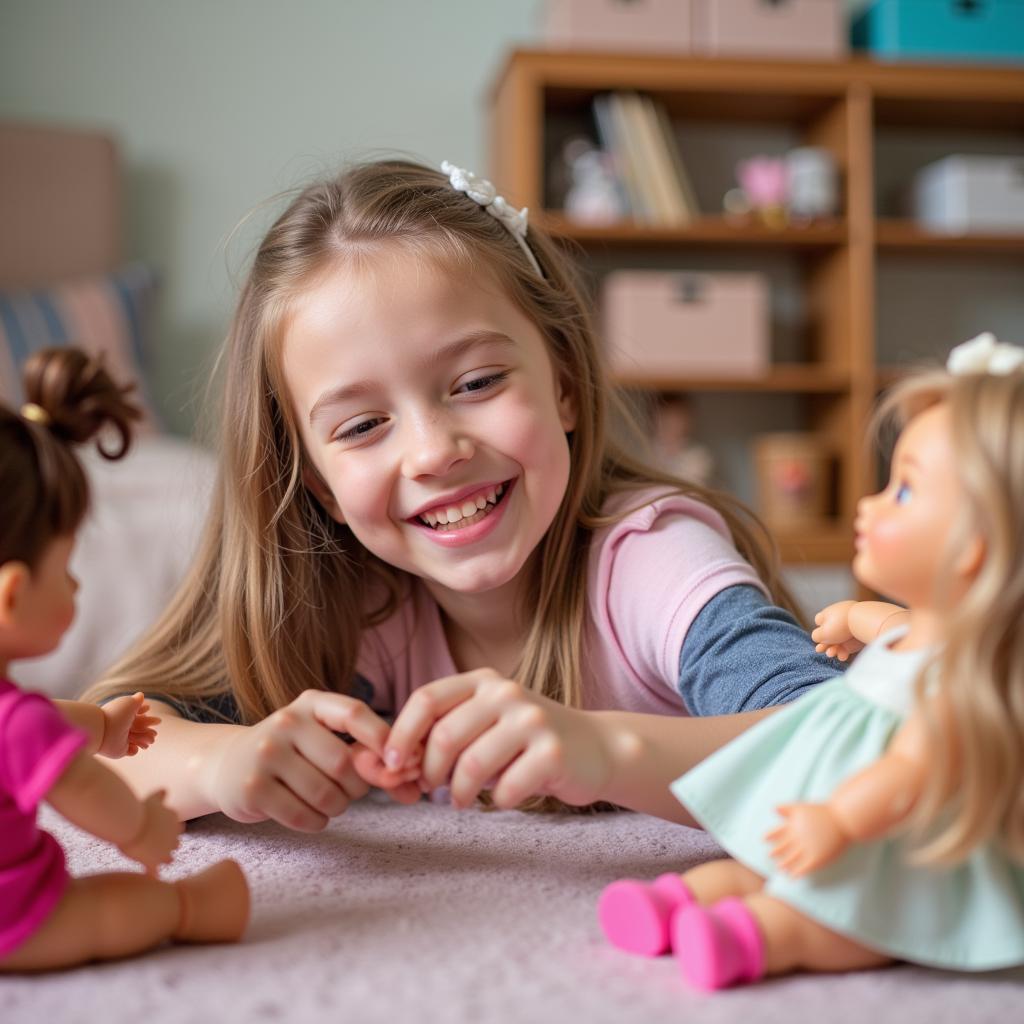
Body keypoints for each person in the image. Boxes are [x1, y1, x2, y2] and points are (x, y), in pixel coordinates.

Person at [85, 158, 838, 830]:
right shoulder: (371, 603)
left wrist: (607, 751)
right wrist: (221, 764)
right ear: (318, 483)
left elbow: (853, 747)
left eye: (477, 383)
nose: (434, 452)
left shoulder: (650, 559)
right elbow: (88, 746)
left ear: (565, 385)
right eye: (362, 425)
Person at [598, 334, 1024, 989]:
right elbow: (895, 629)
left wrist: (839, 819)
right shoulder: (930, 641)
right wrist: (855, 620)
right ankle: (677, 902)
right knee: (761, 866)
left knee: (831, 917)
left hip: (889, 845)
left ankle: (750, 937)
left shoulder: (959, 691)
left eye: (903, 493)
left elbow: (910, 772)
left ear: (973, 549)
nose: (870, 504)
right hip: (829, 809)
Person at [0, 348, 248, 971]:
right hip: (15, 919)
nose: (77, 590)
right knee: (106, 909)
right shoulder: (18, 722)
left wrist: (105, 728)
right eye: (66, 573)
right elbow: (76, 785)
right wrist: (138, 827)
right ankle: (192, 907)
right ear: (12, 595)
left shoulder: (18, 715)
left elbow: (35, 725)